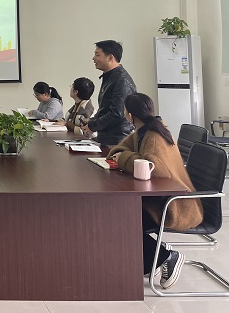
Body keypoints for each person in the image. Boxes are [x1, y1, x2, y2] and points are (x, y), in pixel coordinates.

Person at [107, 93, 202, 289]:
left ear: (130, 115)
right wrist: (125, 156)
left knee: (120, 219)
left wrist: (125, 158)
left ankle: (166, 257)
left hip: (173, 205)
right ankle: (154, 257)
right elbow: (118, 150)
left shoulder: (154, 136)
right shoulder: (144, 130)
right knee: (116, 214)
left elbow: (154, 169)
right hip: (159, 198)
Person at [81, 40, 137, 146]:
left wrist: (93, 125)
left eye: (97, 55)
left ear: (110, 58)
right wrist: (91, 122)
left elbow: (117, 113)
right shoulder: (110, 77)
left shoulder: (122, 80)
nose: (93, 58)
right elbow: (105, 109)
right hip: (107, 138)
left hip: (117, 141)